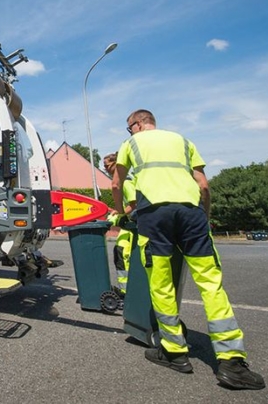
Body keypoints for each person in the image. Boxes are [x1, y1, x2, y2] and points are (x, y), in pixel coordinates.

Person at [111, 109, 264, 391]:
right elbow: (203, 186)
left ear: (138, 124)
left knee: (161, 282)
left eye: (129, 127)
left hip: (154, 215)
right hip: (191, 213)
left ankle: (174, 352)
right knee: (210, 282)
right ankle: (232, 362)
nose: (129, 132)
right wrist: (203, 217)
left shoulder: (131, 144)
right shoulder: (184, 141)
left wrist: (121, 213)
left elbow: (117, 183)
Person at [103, 152, 135, 297]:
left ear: (115, 164)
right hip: (130, 225)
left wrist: (121, 213)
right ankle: (126, 289)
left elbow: (135, 204)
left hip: (132, 226)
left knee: (122, 253)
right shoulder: (125, 180)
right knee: (121, 254)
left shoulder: (126, 182)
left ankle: (126, 291)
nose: (106, 169)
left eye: (107, 166)